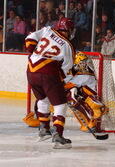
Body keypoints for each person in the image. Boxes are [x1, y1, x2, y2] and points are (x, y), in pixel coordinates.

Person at [25, 17, 75, 149]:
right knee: (60, 104)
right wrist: (63, 83)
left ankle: (44, 130)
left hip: (31, 70)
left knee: (43, 99)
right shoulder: (68, 45)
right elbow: (67, 69)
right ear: (69, 30)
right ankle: (58, 136)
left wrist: (36, 53)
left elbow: (29, 40)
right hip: (48, 73)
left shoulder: (47, 30)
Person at [64, 52, 108, 132]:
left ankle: (90, 120)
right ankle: (91, 117)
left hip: (87, 96)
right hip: (88, 94)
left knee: (71, 97)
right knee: (71, 95)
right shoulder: (86, 69)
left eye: (84, 62)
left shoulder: (81, 71)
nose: (83, 64)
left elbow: (70, 84)